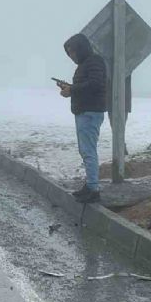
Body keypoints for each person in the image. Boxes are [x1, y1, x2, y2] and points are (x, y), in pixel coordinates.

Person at [59, 34, 107, 203]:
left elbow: (95, 84)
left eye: (73, 51)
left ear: (81, 48)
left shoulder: (94, 62)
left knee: (88, 151)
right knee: (85, 151)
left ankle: (93, 189)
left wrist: (72, 90)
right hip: (84, 112)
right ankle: (90, 186)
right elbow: (86, 86)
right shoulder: (85, 64)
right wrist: (70, 88)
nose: (71, 55)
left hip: (90, 112)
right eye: (69, 53)